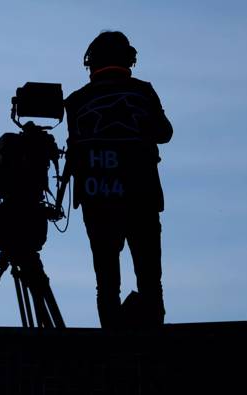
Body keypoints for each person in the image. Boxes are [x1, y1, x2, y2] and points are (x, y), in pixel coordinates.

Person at [61, 31, 173, 328]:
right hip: (142, 198)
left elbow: (74, 151)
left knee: (107, 284)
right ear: (129, 59)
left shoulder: (75, 102)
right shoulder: (143, 92)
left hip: (98, 202)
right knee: (150, 279)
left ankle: (111, 343)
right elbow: (165, 133)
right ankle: (153, 342)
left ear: (90, 63)